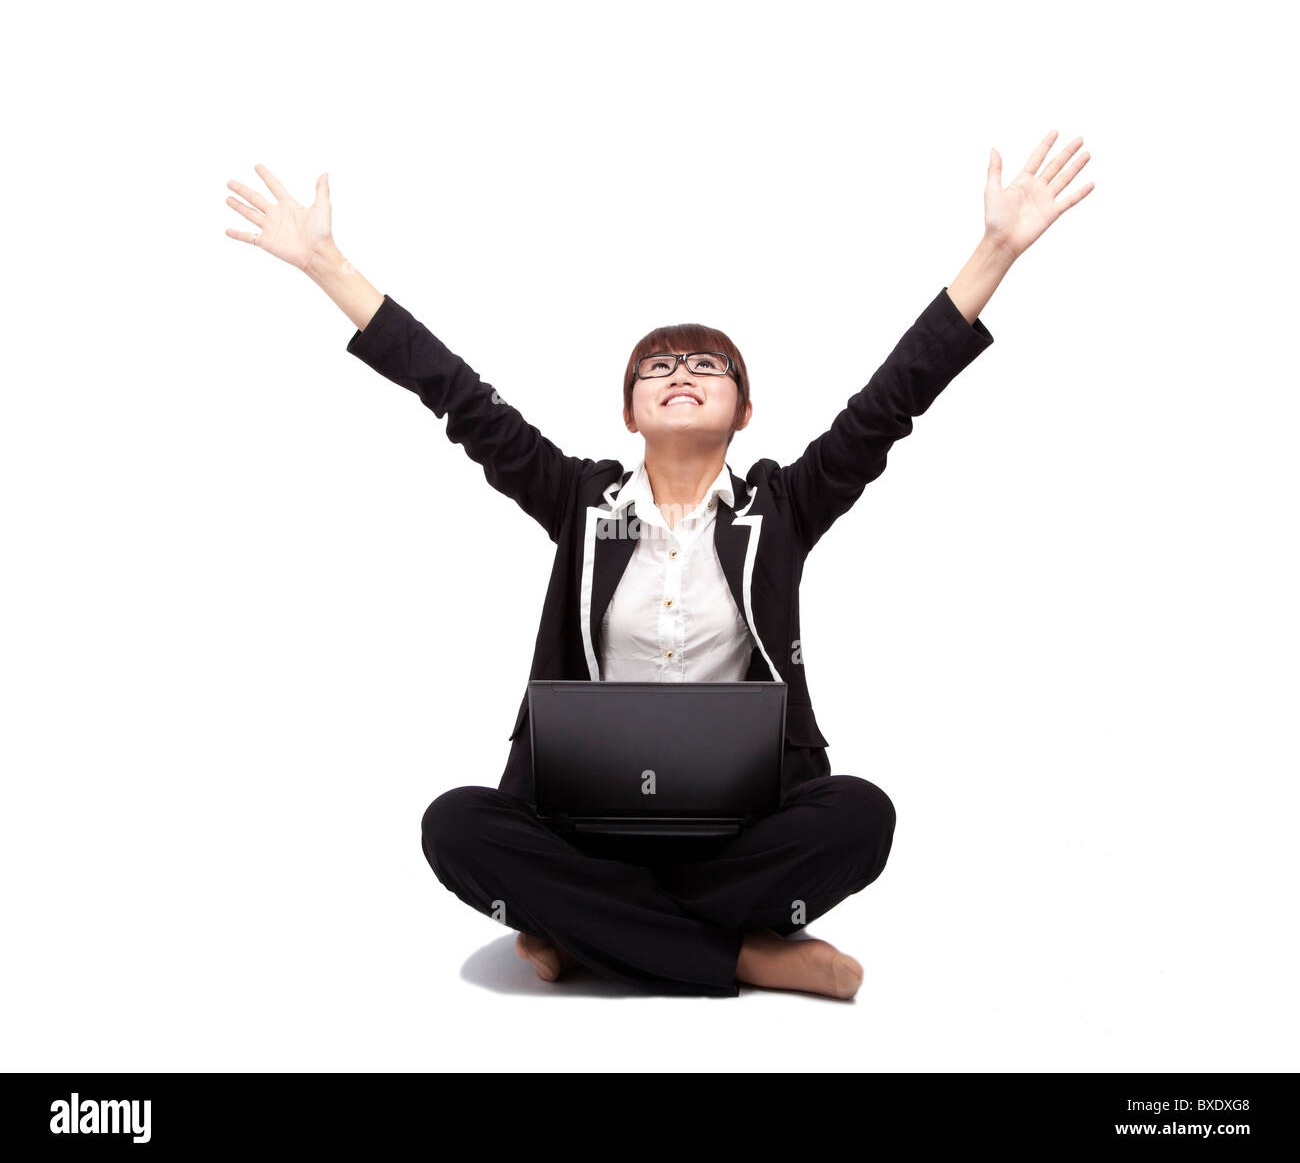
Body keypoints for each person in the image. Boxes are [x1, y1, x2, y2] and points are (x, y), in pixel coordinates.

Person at [224, 131, 1093, 999]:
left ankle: (584, 930)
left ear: (745, 408)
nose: (682, 373)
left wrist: (997, 250)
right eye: (659, 367)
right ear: (630, 410)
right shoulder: (577, 502)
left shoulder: (781, 509)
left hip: (738, 826)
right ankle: (746, 953)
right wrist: (328, 265)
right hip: (586, 823)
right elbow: (458, 396)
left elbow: (893, 398)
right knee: (454, 825)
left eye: (707, 365)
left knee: (863, 816)